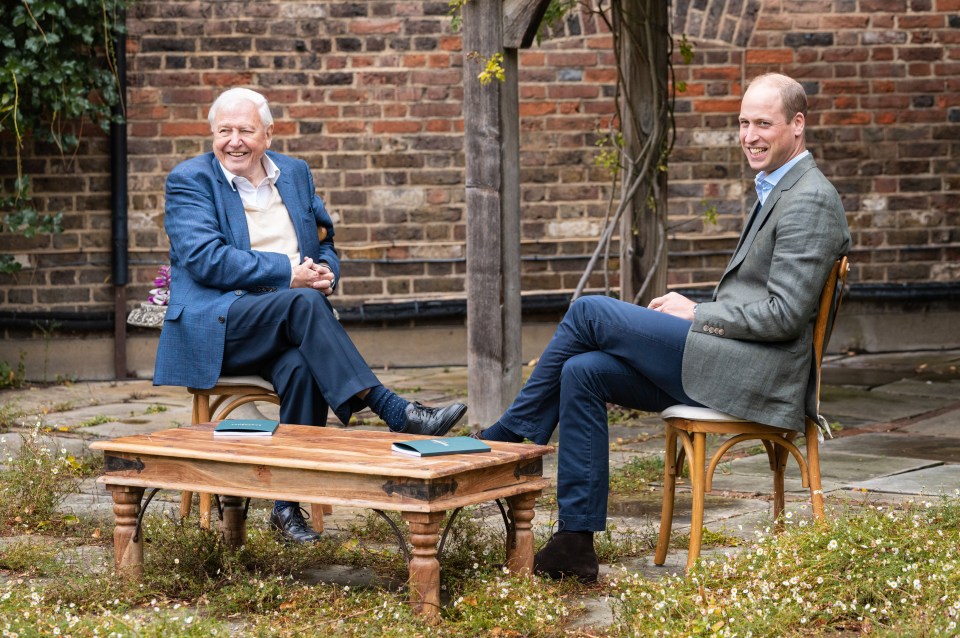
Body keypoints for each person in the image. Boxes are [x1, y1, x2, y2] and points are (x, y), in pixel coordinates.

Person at [473, 73, 851, 583]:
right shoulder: (781, 188)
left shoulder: (809, 198)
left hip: (756, 374)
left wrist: (698, 313)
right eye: (743, 123)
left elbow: (784, 315)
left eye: (764, 123)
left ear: (797, 125)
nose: (750, 135)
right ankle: (574, 544)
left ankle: (508, 440)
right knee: (582, 371)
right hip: (729, 359)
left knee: (589, 312)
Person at [153, 88, 466, 543]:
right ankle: (394, 411)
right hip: (221, 326)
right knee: (301, 302)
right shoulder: (191, 180)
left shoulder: (295, 173)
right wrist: (290, 275)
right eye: (224, 131)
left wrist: (323, 272)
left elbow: (324, 241)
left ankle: (285, 507)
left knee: (302, 365)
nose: (234, 141)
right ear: (212, 134)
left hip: (286, 323)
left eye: (245, 130)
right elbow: (206, 260)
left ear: (268, 132)